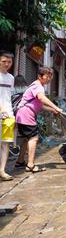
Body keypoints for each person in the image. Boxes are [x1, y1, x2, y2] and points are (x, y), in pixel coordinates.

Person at [14, 67, 63, 173]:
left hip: (23, 114)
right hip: (26, 114)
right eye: (47, 76)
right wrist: (56, 107)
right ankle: (30, 164)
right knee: (34, 138)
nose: (49, 79)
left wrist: (52, 110)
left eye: (50, 77)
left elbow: (39, 106)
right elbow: (41, 98)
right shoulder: (38, 86)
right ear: (40, 76)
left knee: (26, 138)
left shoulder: (36, 86)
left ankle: (20, 161)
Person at [0, 51, 15, 181]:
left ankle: (2, 170)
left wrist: (10, 112)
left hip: (9, 114)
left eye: (9, 62)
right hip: (1, 112)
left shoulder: (11, 78)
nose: (6, 64)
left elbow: (8, 96)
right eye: (4, 61)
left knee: (5, 144)